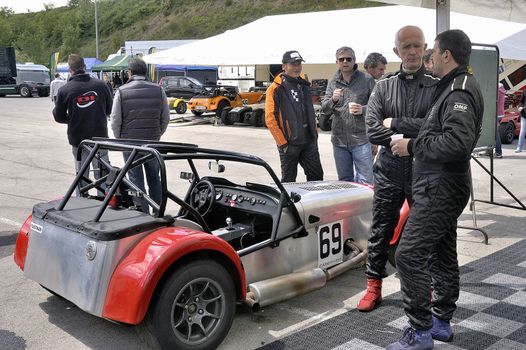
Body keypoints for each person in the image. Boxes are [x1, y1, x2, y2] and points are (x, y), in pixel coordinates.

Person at [387, 29, 484, 350]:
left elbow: (457, 142)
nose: (427, 56)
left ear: (446, 55)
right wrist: (398, 123)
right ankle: (441, 321)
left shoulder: (458, 92)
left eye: (432, 51)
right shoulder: (453, 86)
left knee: (408, 256)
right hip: (442, 185)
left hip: (441, 187)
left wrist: (411, 146)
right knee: (442, 254)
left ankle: (420, 332)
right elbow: (435, 125)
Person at [358, 26, 439, 312]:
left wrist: (393, 123)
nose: (413, 51)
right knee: (381, 227)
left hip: (423, 169)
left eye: (417, 45)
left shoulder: (436, 85)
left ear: (425, 46)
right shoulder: (382, 87)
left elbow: (434, 128)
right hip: (390, 168)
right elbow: (371, 130)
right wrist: (406, 135)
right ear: (397, 51)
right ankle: (373, 285)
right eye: (407, 47)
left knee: (425, 231)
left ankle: (425, 285)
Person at [110, 58, 170, 213]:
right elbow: (165, 118)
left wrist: (120, 138)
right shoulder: (159, 90)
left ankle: (142, 213)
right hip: (152, 143)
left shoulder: (122, 91)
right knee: (154, 179)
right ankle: (158, 212)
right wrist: (158, 134)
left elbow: (115, 119)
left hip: (130, 144)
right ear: (145, 72)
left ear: (130, 72)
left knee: (136, 181)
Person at [53, 54, 113, 196]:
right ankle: (106, 207)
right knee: (104, 176)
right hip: (100, 139)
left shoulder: (65, 90)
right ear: (85, 67)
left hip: (79, 140)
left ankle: (81, 206)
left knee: (81, 177)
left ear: (70, 70)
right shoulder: (101, 85)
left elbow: (59, 116)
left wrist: (74, 117)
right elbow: (109, 110)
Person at [265, 50, 323, 183]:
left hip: (309, 142)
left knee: (317, 179)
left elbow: (308, 110)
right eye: (293, 64)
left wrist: (314, 132)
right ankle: (287, 204)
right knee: (288, 182)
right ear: (283, 66)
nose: (297, 67)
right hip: (289, 144)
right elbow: (270, 120)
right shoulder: (275, 88)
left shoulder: (303, 84)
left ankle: (313, 204)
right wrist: (283, 144)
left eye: (299, 64)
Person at [321, 46, 375, 184]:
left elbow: (378, 107)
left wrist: (363, 109)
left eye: (348, 59)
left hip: (361, 139)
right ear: (337, 62)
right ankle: (350, 207)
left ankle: (365, 206)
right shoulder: (333, 82)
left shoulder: (366, 79)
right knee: (344, 182)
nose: (345, 62)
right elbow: (325, 110)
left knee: (366, 181)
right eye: (341, 59)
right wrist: (333, 100)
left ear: (354, 60)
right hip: (339, 141)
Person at [495, 83, 505, 158]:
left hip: (495, 114)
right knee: (494, 133)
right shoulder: (501, 87)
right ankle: (489, 150)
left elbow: (494, 100)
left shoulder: (496, 88)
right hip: (500, 113)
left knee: (495, 133)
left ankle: (498, 152)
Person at [516, 88, 526, 152]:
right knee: (522, 131)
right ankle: (519, 147)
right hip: (524, 114)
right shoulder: (525, 91)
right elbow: (521, 101)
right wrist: (520, 107)